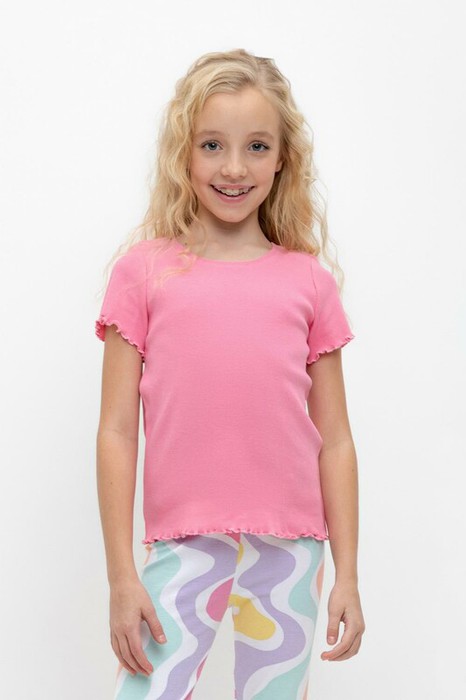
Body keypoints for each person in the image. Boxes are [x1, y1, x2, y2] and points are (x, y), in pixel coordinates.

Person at [94, 48, 365, 700]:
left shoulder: (308, 282)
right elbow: (116, 432)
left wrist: (348, 575)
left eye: (256, 146)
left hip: (291, 550)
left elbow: (335, 440)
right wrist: (122, 577)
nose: (235, 167)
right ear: (183, 153)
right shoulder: (144, 274)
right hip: (183, 544)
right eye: (212, 144)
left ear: (282, 158)